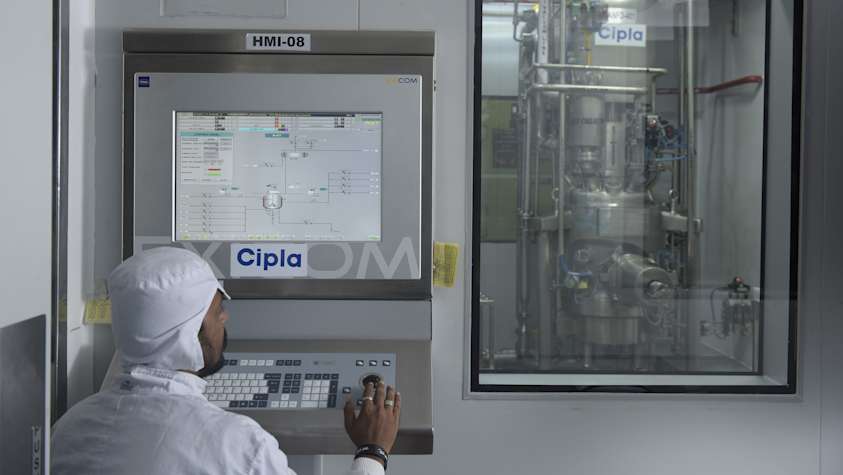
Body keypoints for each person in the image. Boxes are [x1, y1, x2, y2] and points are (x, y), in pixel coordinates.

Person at [51, 247, 400, 474]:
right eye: (218, 311)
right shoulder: (235, 446)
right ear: (190, 330)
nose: (225, 321)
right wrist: (372, 451)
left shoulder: (67, 429)